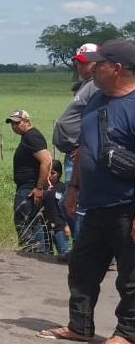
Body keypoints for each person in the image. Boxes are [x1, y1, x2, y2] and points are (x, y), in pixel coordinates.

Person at [39, 38, 135, 344]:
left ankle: (128, 333)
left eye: (101, 63)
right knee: (82, 268)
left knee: (131, 276)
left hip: (127, 205)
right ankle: (80, 327)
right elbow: (83, 149)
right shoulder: (96, 101)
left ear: (117, 68)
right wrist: (75, 188)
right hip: (94, 203)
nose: (94, 67)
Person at [53, 43, 99, 239]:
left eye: (83, 63)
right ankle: (84, 250)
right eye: (77, 62)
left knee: (75, 203)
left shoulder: (96, 87)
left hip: (79, 153)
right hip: (72, 153)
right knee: (70, 203)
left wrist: (83, 146)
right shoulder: (87, 85)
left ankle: (86, 252)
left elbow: (96, 120)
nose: (79, 66)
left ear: (96, 63)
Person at [6, 109, 52, 254]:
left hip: (29, 187)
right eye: (12, 123)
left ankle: (31, 250)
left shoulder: (31, 137)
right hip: (29, 186)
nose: (14, 126)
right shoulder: (29, 136)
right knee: (33, 220)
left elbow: (46, 161)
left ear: (27, 122)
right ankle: (39, 251)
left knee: (23, 219)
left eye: (17, 123)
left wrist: (39, 187)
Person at [42, 159, 71, 262]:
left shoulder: (63, 188)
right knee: (46, 255)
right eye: (48, 173)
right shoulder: (43, 187)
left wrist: (66, 225)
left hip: (60, 226)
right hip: (46, 227)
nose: (50, 176)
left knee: (63, 253)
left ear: (59, 174)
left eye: (53, 173)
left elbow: (66, 208)